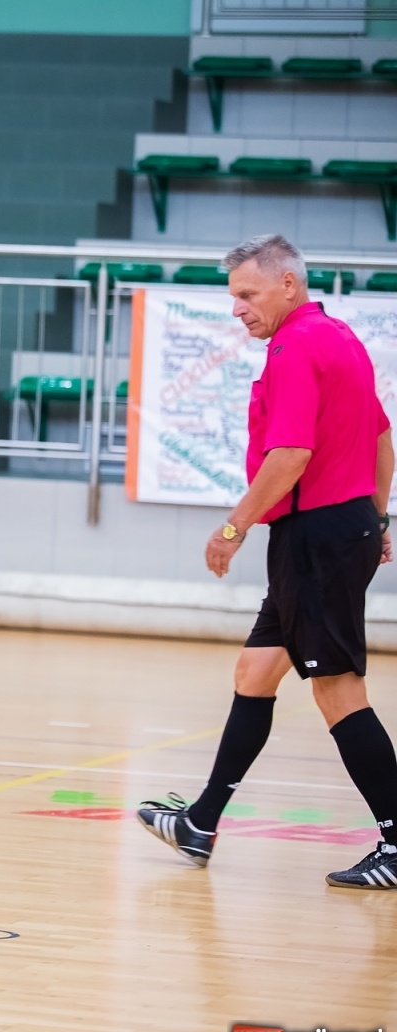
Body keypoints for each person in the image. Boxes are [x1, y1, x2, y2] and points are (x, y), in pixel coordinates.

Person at [137, 234, 397, 889]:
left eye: (248, 295)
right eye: (233, 298)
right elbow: (382, 437)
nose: (238, 310)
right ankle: (200, 823)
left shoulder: (294, 346)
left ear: (288, 285)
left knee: (338, 693)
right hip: (334, 533)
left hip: (316, 539)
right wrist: (377, 515)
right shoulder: (338, 338)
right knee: (255, 671)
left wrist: (233, 528)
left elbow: (291, 457)